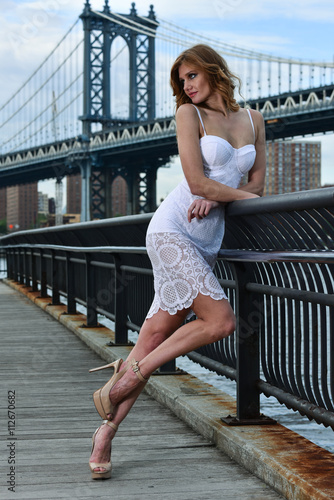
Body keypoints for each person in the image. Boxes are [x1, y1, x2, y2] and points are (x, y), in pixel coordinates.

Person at [89, 44, 266, 479]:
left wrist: (220, 197)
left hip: (207, 240)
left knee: (150, 338)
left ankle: (106, 430)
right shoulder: (190, 116)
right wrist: (212, 192)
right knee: (222, 321)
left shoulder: (255, 120)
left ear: (213, 70)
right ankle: (135, 374)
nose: (186, 86)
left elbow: (259, 188)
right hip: (172, 229)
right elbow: (194, 181)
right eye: (180, 80)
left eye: (191, 76)